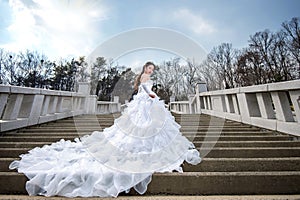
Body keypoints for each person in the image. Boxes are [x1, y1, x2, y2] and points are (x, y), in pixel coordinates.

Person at [9, 61, 201, 197]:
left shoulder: (147, 77)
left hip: (148, 102)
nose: (151, 71)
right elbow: (144, 89)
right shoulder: (143, 78)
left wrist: (152, 96)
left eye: (152, 69)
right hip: (145, 101)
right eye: (149, 68)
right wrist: (152, 95)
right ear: (145, 69)